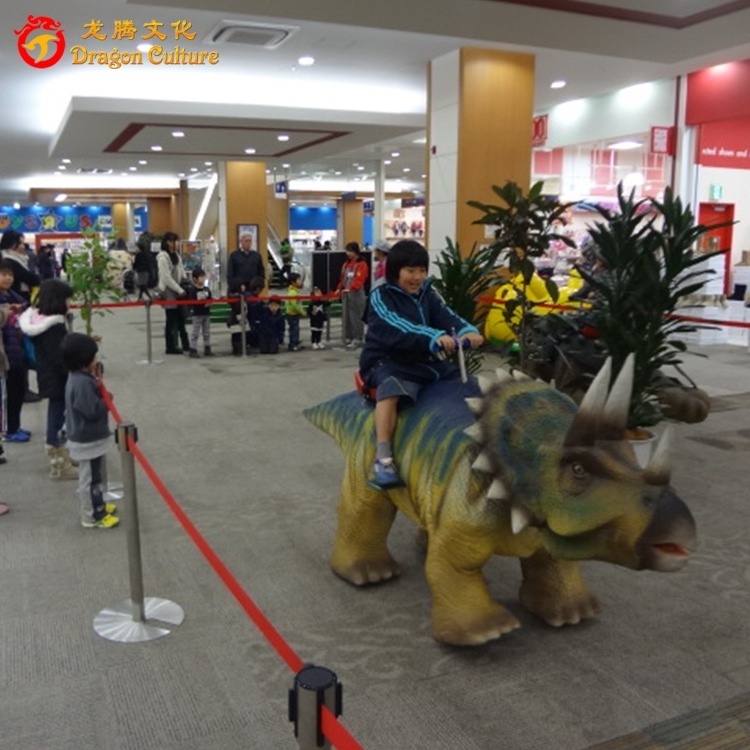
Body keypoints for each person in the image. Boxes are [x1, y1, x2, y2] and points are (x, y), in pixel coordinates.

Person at [358, 240, 484, 488]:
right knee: (391, 391)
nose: (417, 277)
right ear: (396, 270)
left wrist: (467, 330)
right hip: (385, 360)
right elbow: (397, 325)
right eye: (410, 271)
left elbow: (445, 315)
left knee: (467, 385)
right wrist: (434, 337)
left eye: (422, 270)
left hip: (422, 358)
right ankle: (383, 457)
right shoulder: (380, 295)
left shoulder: (427, 292)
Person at [19, 279, 78, 480]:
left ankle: (60, 454)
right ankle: (59, 460)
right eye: (66, 299)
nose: (69, 303)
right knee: (58, 415)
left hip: (47, 374)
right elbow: (58, 357)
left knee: (57, 412)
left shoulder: (37, 320)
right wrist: (73, 371)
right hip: (57, 376)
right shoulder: (53, 326)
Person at [61, 332, 119, 529]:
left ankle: (98, 504)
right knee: (90, 480)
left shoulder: (80, 377)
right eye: (94, 357)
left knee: (96, 476)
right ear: (83, 360)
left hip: (88, 438)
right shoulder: (81, 383)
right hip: (86, 439)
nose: (96, 360)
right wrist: (107, 400)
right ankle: (91, 514)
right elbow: (91, 411)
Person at [0, 259, 31, 443]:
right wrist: (8, 312)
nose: (8, 278)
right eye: (3, 274)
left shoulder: (15, 297)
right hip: (4, 355)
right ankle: (8, 430)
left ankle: (15, 426)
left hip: (18, 350)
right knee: (8, 394)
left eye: (10, 275)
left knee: (18, 391)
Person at [227, 233, 265, 355]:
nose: (248, 243)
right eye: (246, 241)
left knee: (253, 318)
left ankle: (252, 342)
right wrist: (237, 286)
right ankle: (238, 345)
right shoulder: (234, 256)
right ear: (241, 242)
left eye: (250, 240)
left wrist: (258, 286)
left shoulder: (256, 256)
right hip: (239, 293)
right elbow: (230, 275)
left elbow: (261, 272)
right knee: (238, 319)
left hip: (253, 293)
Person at [156, 232, 190, 354]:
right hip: (169, 291)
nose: (177, 243)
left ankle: (185, 344)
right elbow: (166, 277)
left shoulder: (176, 255)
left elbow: (181, 270)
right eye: (175, 241)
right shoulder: (162, 257)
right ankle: (170, 346)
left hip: (178, 289)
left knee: (181, 318)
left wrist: (185, 283)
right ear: (168, 242)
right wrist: (179, 290)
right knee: (170, 319)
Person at [336, 241, 369, 349]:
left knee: (356, 317)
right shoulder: (346, 265)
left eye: (350, 251)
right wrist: (339, 288)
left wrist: (350, 288)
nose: (348, 253)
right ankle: (348, 336)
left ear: (356, 252)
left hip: (357, 294)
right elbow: (343, 279)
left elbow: (360, 280)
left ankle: (358, 338)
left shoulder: (362, 265)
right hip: (346, 295)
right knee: (347, 317)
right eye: (347, 251)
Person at [0, 230, 41, 304]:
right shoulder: (8, 259)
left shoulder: (18, 258)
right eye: (20, 243)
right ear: (11, 244)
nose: (23, 246)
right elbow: (31, 278)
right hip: (15, 298)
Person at [186, 266, 214, 358]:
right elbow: (191, 302)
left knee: (207, 332)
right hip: (197, 314)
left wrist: (209, 303)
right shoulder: (193, 290)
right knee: (195, 332)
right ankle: (193, 349)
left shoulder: (206, 289)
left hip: (206, 313)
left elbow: (210, 298)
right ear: (195, 279)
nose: (203, 279)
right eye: (201, 277)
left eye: (203, 277)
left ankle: (207, 348)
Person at [284, 272, 305, 352]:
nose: (300, 281)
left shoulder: (294, 291)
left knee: (295, 329)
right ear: (293, 282)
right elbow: (294, 305)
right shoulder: (292, 292)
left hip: (294, 314)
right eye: (298, 279)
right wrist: (302, 311)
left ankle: (295, 342)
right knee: (294, 329)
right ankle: (293, 344)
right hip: (292, 314)